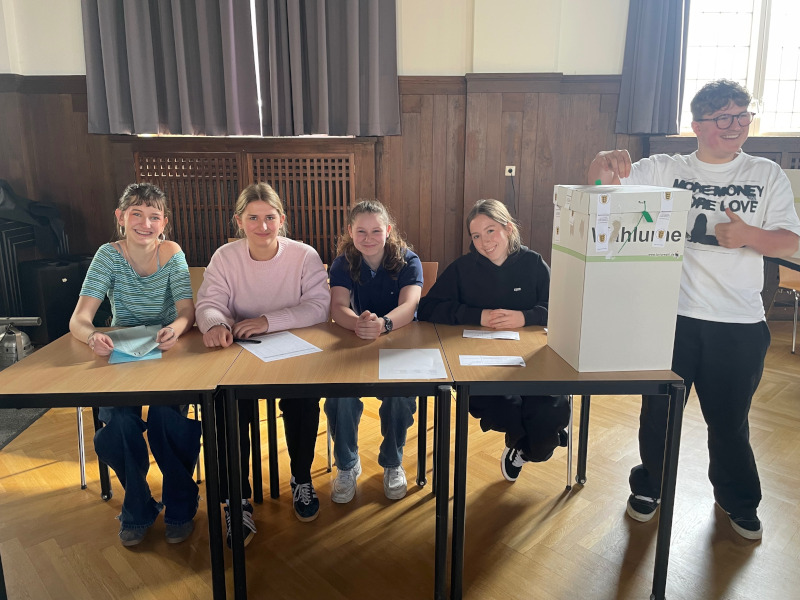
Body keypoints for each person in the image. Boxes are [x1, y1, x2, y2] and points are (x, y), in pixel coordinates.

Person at [587, 79, 800, 540]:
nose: (735, 125)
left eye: (742, 115)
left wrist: (749, 236)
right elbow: (603, 192)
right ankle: (650, 487)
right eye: (723, 117)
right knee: (658, 415)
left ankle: (738, 500)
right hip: (671, 319)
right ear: (697, 125)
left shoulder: (767, 174)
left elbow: (790, 244)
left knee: (730, 422)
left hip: (739, 324)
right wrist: (601, 164)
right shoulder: (666, 167)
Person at [195, 183, 330, 541]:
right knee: (227, 406)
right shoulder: (225, 256)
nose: (263, 226)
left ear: (282, 219)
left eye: (270, 217)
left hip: (293, 349)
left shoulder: (304, 255)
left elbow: (319, 306)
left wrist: (267, 321)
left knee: (303, 401)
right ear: (239, 221)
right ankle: (236, 498)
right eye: (253, 218)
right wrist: (215, 324)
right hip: (240, 351)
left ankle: (301, 478)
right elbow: (209, 303)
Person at [69, 182, 198, 547]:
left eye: (154, 216)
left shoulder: (172, 252)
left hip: (166, 351)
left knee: (167, 419)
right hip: (121, 354)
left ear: (164, 222)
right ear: (121, 217)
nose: (145, 223)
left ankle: (181, 503)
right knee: (119, 425)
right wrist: (93, 337)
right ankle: (138, 505)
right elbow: (79, 319)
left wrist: (175, 329)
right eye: (136, 214)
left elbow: (186, 312)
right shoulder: (108, 256)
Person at [418, 198, 570, 482]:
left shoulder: (533, 263)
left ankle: (529, 445)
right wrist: (478, 315)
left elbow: (562, 309)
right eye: (476, 236)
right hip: (481, 364)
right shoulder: (463, 268)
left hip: (533, 362)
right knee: (507, 411)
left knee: (546, 424)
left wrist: (526, 317)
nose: (485, 242)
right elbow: (427, 308)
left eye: (491, 231)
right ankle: (533, 437)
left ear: (508, 228)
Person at [325, 200, 423, 502]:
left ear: (388, 230)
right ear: (350, 232)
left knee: (400, 397)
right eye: (361, 231)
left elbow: (410, 304)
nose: (369, 238)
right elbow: (337, 306)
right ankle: (347, 464)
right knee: (339, 396)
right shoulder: (343, 262)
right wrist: (358, 324)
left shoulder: (408, 260)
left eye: (376, 231)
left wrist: (384, 324)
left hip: (399, 342)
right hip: (357, 342)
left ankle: (393, 462)